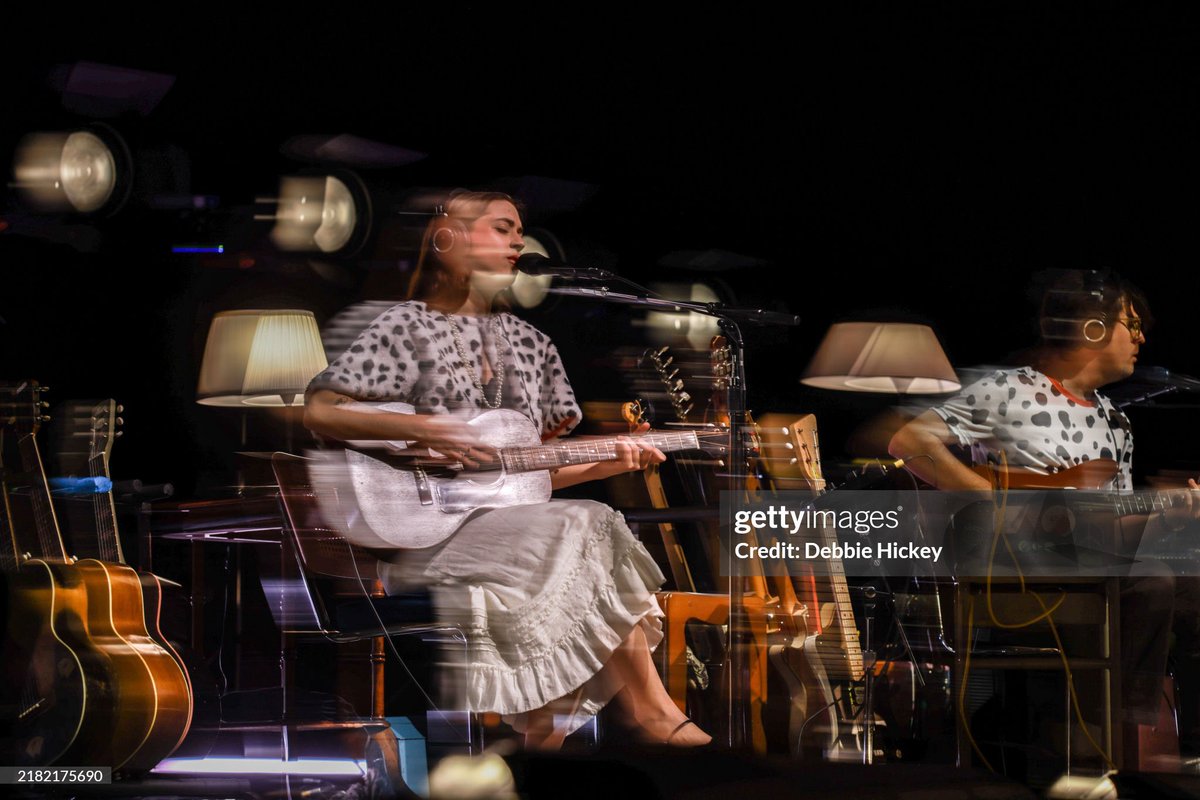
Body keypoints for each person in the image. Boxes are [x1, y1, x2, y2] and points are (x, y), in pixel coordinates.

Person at [303, 190, 711, 749]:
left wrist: (612, 457)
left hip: (516, 530)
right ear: (446, 240)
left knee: (586, 532)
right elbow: (321, 411)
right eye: (502, 227)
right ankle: (646, 714)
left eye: (520, 230)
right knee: (589, 527)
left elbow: (530, 478)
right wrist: (424, 430)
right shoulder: (405, 327)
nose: (519, 240)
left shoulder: (534, 346)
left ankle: (550, 740)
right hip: (426, 538)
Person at [887, 268, 1200, 761]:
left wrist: (1167, 515)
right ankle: (1117, 733)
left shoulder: (1116, 422)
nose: (1142, 336)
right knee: (1154, 580)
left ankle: (1171, 738)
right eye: (1130, 323)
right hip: (1018, 564)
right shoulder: (1010, 390)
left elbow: (1112, 525)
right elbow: (908, 441)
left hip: (1091, 563)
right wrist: (988, 497)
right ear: (1092, 329)